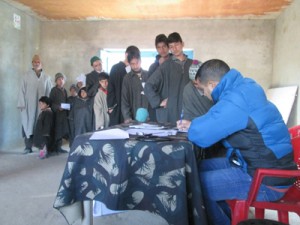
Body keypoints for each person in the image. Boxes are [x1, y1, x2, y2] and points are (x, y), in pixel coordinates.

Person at [177, 59, 297, 225]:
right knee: (196, 168)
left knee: (194, 185)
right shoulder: (245, 87)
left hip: (266, 179)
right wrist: (194, 124)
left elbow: (201, 136)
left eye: (203, 90)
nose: (205, 95)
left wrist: (194, 127)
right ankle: (227, 218)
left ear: (212, 85)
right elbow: (214, 119)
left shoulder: (235, 100)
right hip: (262, 166)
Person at [145, 32, 192, 125]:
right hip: (169, 114)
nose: (174, 49)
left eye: (177, 45)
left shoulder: (193, 64)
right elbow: (148, 85)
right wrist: (158, 101)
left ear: (182, 44)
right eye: (171, 46)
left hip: (188, 113)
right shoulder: (166, 66)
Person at [17, 54, 53, 154]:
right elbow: (21, 90)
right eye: (34, 62)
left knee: (40, 125)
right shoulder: (26, 76)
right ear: (32, 64)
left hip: (42, 107)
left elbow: (49, 92)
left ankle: (41, 146)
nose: (36, 64)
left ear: (41, 63)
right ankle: (28, 147)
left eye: (38, 62)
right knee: (28, 124)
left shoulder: (46, 77)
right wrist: (22, 104)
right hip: (29, 106)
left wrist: (48, 105)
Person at [107, 46, 138, 126]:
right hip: (117, 106)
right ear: (126, 54)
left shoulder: (133, 70)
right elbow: (110, 88)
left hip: (131, 106)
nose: (133, 58)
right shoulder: (115, 68)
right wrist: (111, 106)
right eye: (132, 55)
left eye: (135, 56)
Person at [121, 47, 150, 123]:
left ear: (140, 61)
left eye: (137, 63)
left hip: (149, 116)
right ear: (129, 64)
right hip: (133, 116)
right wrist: (127, 117)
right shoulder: (127, 78)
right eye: (132, 64)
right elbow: (124, 100)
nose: (135, 66)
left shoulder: (148, 75)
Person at [50, 73, 69, 153]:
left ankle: (59, 147)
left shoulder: (64, 90)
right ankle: (54, 148)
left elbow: (66, 101)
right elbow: (50, 103)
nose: (60, 81)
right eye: (58, 79)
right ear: (56, 81)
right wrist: (58, 107)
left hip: (63, 114)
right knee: (56, 130)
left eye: (62, 79)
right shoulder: (53, 90)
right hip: (56, 114)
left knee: (61, 130)